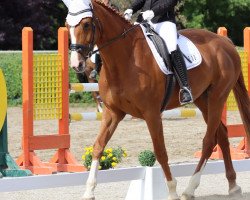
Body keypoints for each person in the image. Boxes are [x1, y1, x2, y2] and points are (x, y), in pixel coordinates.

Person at [124, 0, 193, 105]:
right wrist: (131, 9)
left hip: (164, 21)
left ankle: (185, 87)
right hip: (144, 20)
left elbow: (170, 2)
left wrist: (153, 12)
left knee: (171, 48)